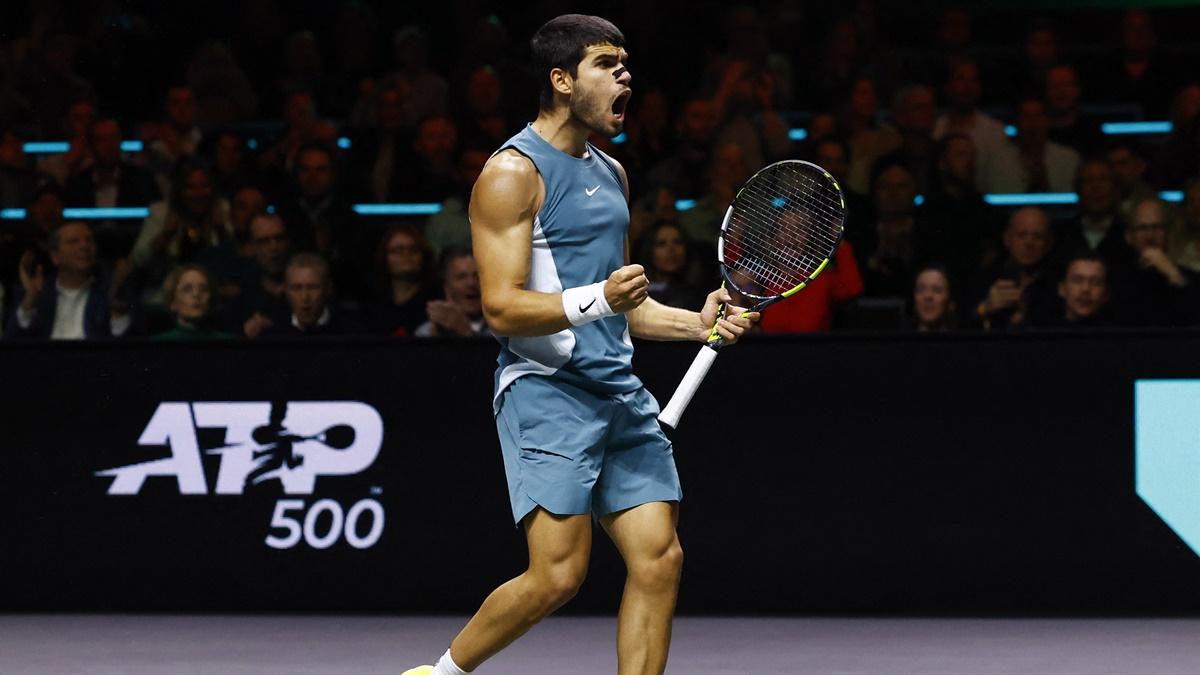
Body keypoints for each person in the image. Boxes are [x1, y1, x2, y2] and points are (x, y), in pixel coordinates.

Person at [403, 15, 758, 675]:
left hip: (620, 394)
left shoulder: (613, 175)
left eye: (626, 63)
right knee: (559, 574)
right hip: (546, 392)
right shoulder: (512, 173)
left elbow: (624, 309)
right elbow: (502, 307)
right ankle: (442, 673)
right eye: (606, 63)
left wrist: (697, 321)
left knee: (660, 557)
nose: (625, 75)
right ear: (561, 80)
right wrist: (601, 298)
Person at [4, 221, 132, 339]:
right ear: (55, 256)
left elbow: (127, 345)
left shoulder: (111, 288)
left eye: (89, 240)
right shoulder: (37, 291)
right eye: (73, 241)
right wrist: (29, 304)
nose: (84, 246)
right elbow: (10, 345)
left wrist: (118, 306)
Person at [972, 206, 1058, 331]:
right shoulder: (985, 277)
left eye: (1038, 236)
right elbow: (961, 322)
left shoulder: (1060, 281)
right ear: (1007, 239)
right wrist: (986, 308)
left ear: (1049, 243)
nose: (1029, 243)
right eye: (1021, 235)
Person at [261, 252, 361, 337]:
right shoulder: (273, 336)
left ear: (328, 289)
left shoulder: (350, 334)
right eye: (296, 288)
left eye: (312, 287)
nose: (304, 297)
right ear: (286, 290)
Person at [366, 224, 437, 337]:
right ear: (384, 258)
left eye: (413, 249)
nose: (406, 255)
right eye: (398, 250)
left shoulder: (436, 303)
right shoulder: (374, 308)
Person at [414, 248, 486, 337]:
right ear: (446, 288)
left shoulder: (504, 333)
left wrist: (467, 333)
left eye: (477, 276)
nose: (471, 283)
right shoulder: (424, 333)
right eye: (461, 277)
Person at [635, 221, 707, 311]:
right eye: (661, 243)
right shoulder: (637, 296)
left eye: (677, 242)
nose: (671, 249)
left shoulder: (699, 297)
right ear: (649, 251)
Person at [153, 263, 233, 340]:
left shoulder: (230, 344)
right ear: (173, 303)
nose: (196, 294)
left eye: (204, 289)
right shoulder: (156, 346)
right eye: (187, 289)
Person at [911, 264, 956, 331]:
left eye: (937, 290)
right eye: (920, 289)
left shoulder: (964, 341)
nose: (928, 296)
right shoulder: (899, 340)